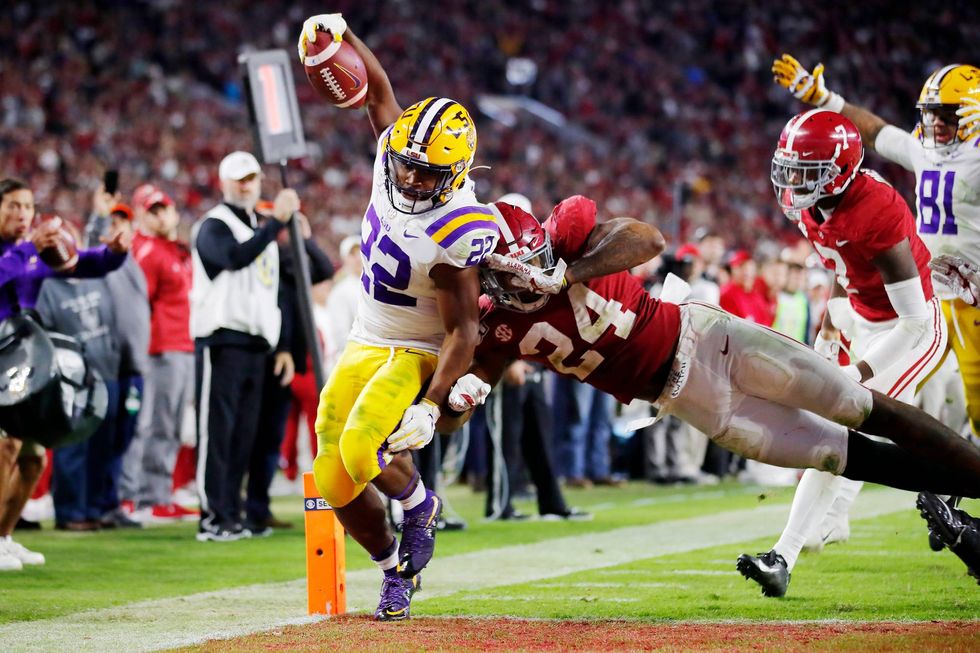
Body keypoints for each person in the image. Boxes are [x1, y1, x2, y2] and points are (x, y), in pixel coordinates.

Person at [440, 195, 980, 581]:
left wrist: (570, 272)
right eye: (510, 275)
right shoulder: (492, 326)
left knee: (862, 406)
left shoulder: (569, 233)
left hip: (711, 340)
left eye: (532, 262)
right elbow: (465, 395)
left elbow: (647, 238)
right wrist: (456, 402)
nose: (525, 278)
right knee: (846, 457)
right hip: (693, 404)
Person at [297, 14, 499, 621]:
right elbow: (379, 93)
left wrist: (431, 404)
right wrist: (345, 34)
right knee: (332, 476)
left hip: (415, 347)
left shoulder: (456, 227)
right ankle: (394, 572)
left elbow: (465, 329)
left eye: (427, 172)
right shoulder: (396, 150)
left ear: (455, 175)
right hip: (367, 333)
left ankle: (421, 505)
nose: (410, 177)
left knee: (363, 449)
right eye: (407, 163)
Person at [735, 110, 948, 597]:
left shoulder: (876, 208)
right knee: (851, 432)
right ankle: (834, 519)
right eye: (787, 168)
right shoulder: (816, 205)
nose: (791, 181)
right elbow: (840, 262)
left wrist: (860, 369)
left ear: (840, 168)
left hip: (908, 328)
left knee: (842, 428)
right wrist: (832, 320)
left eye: (804, 171)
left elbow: (914, 321)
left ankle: (783, 555)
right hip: (861, 318)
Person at [0, 177, 128, 569]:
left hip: (20, 363)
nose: (23, 214)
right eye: (13, 206)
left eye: (27, 206)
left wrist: (114, 254)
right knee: (6, 448)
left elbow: (81, 263)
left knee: (33, 459)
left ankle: (4, 537)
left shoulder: (33, 252)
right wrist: (26, 248)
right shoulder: (21, 252)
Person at [190, 151, 298, 542]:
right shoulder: (213, 225)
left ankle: (233, 514)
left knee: (243, 436)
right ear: (223, 182)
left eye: (251, 177)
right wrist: (276, 225)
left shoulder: (259, 229)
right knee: (218, 432)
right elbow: (232, 258)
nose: (246, 184)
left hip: (257, 344)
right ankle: (212, 516)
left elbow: (279, 291)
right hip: (222, 337)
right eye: (238, 178)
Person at [128, 188, 198, 522]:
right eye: (152, 210)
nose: (160, 216)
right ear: (141, 214)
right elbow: (138, 307)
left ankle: (163, 492)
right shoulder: (148, 252)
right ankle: (148, 496)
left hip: (183, 345)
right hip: (161, 348)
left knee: (171, 426)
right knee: (157, 423)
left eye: (164, 208)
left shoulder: (175, 249)